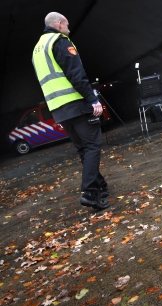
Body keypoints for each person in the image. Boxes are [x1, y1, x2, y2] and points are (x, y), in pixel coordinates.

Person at [32, 12, 109, 210]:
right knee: (92, 146)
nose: (68, 27)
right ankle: (90, 192)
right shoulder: (60, 41)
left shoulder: (37, 49)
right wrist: (92, 99)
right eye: (66, 24)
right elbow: (76, 74)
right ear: (58, 24)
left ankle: (100, 187)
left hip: (58, 109)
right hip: (76, 102)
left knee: (83, 148)